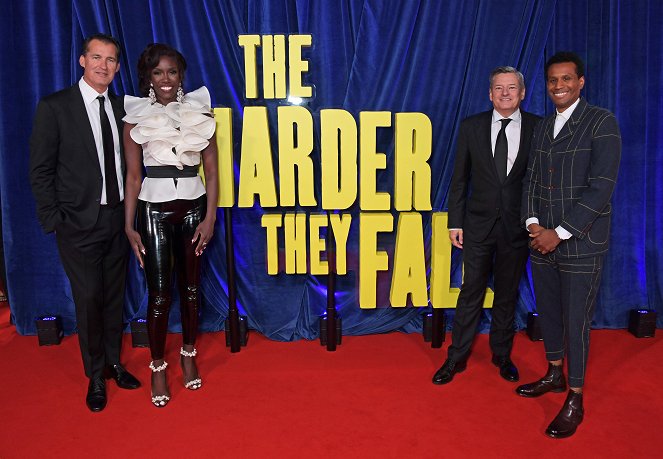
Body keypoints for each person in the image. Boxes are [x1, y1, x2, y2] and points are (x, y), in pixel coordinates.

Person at [29, 33, 141, 412]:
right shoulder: (56, 106)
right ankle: (95, 375)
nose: (103, 66)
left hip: (116, 220)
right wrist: (56, 221)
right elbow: (40, 171)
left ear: (118, 67)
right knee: (89, 298)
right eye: (96, 57)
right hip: (77, 224)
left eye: (111, 60)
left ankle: (113, 363)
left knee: (113, 297)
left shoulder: (124, 108)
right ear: (82, 61)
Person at [517, 52, 621, 439]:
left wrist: (558, 233)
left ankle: (575, 397)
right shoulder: (543, 126)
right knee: (550, 313)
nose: (558, 86)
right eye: (551, 81)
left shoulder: (601, 122)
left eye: (566, 79)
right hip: (539, 241)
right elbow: (530, 180)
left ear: (580, 82)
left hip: (579, 244)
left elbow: (601, 188)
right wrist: (532, 224)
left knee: (576, 321)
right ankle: (555, 373)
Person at [123, 43, 218, 408]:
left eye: (172, 72)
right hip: (153, 210)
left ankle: (189, 354)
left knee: (191, 288)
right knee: (160, 293)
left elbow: (211, 170)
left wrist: (210, 217)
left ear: (181, 76)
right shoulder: (135, 117)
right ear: (148, 76)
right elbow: (133, 177)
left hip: (194, 207)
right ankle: (158, 364)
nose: (165, 79)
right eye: (158, 72)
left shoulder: (200, 112)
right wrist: (129, 226)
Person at [432, 67, 540, 386]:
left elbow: (540, 181)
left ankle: (501, 354)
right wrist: (455, 222)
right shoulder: (471, 127)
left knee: (507, 295)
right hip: (477, 226)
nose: (504, 93)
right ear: (489, 93)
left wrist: (537, 222)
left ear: (522, 93)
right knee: (471, 293)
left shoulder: (538, 127)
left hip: (517, 227)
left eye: (511, 88)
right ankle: (456, 357)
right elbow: (459, 179)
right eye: (498, 88)